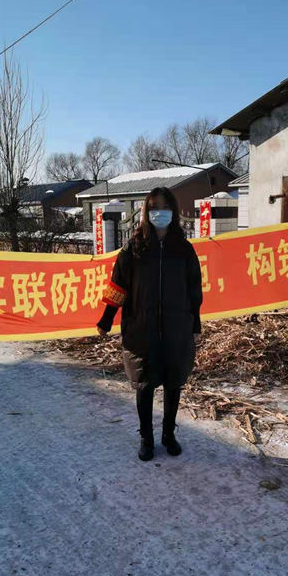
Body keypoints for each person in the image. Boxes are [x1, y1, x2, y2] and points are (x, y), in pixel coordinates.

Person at [97, 187, 203, 461]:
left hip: (177, 329)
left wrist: (195, 324)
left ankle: (169, 434)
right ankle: (147, 438)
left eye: (165, 208)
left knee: (173, 383)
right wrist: (107, 319)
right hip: (141, 329)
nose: (160, 213)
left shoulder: (184, 250)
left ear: (174, 212)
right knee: (144, 385)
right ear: (146, 212)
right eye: (155, 208)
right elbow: (117, 287)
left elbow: (194, 290)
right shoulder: (133, 249)